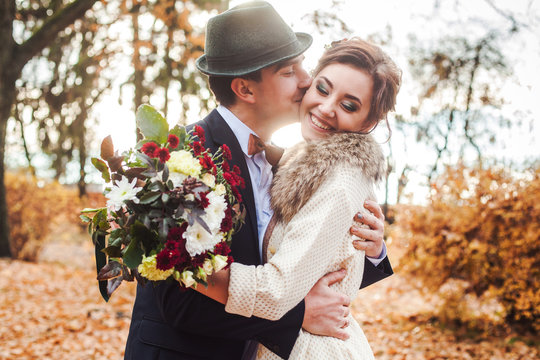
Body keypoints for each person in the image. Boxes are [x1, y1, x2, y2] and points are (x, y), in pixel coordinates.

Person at [124, 2, 392, 360]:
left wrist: (370, 250)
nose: (306, 80)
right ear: (246, 90)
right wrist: (296, 317)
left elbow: (309, 257)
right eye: (288, 71)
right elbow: (180, 300)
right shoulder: (184, 161)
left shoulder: (293, 163)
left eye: (303, 66)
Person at [195, 36, 402, 359]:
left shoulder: (341, 181)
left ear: (369, 122)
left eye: (349, 105)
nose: (326, 108)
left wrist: (193, 269)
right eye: (323, 88)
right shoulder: (298, 157)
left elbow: (277, 290)